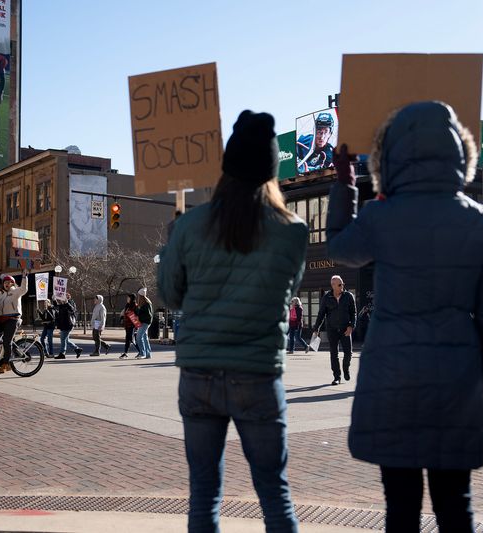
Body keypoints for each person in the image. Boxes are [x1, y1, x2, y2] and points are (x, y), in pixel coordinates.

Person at [326, 101, 483, 532]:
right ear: (459, 152)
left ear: (390, 156)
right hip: (458, 378)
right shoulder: (482, 222)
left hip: (391, 376)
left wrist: (346, 185)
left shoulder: (380, 216)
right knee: (455, 505)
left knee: (401, 507)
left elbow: (338, 248)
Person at [158, 110, 305, 531]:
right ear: (271, 171)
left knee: (204, 494)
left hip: (200, 373)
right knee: (275, 494)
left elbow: (170, 295)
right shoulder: (292, 231)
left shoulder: (190, 226)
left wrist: (173, 243)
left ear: (227, 167)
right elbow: (286, 294)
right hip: (257, 373)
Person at [312, 275, 356, 385]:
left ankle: (346, 368)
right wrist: (316, 329)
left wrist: (351, 326)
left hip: (345, 329)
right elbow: (321, 314)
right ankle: (337, 377)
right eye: (340, 285)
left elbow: (353, 313)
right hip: (332, 330)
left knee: (348, 353)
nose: (342, 286)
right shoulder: (326, 298)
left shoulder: (349, 296)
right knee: (334, 354)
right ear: (333, 286)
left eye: (343, 284)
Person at [0, 273, 28, 373]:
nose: (6, 284)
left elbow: (24, 289)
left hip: (13, 319)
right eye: (5, 282)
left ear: (12, 283)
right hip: (3, 319)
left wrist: (24, 277)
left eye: (9, 282)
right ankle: (5, 344)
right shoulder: (2, 295)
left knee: (7, 341)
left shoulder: (16, 291)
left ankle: (6, 364)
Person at [55, 293, 82, 359]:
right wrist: (54, 300)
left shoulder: (70, 303)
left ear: (68, 297)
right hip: (63, 324)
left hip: (68, 324)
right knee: (66, 340)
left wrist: (67, 303)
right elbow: (57, 307)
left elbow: (72, 310)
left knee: (63, 339)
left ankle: (62, 353)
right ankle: (77, 349)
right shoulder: (63, 304)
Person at [119, 293, 141, 359]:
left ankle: (141, 351)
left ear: (132, 298)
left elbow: (137, 316)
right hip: (127, 325)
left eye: (128, 298)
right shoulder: (127, 305)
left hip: (133, 326)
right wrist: (122, 318)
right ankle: (125, 353)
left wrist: (136, 326)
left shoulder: (135, 306)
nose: (127, 299)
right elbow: (124, 313)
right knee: (128, 339)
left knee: (132, 339)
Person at [134, 288, 153, 360]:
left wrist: (139, 318)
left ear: (141, 296)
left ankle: (142, 353)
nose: (138, 297)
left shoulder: (146, 304)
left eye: (139, 295)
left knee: (139, 337)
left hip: (145, 322)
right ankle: (148, 354)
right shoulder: (145, 303)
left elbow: (148, 315)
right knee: (144, 338)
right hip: (144, 322)